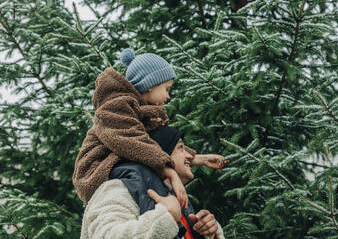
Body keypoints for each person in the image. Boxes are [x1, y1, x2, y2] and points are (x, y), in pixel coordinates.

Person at [73, 49, 227, 206]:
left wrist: (199, 159)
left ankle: (168, 218)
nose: (168, 96)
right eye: (166, 89)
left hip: (117, 164)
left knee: (146, 169)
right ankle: (160, 217)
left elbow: (158, 143)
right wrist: (170, 171)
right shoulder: (115, 106)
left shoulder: (142, 112)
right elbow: (131, 141)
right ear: (150, 84)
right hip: (96, 171)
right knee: (143, 173)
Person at [80, 126, 225, 239]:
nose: (189, 156)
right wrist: (165, 215)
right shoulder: (118, 188)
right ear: (159, 155)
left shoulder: (174, 197)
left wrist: (209, 233)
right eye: (180, 147)